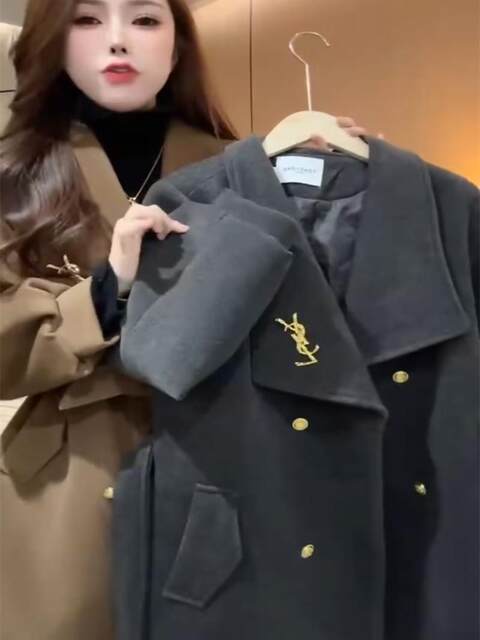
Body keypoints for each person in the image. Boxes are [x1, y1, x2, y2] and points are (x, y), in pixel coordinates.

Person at [0, 1, 370, 638]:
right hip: (66, 485)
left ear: (178, 45)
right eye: (87, 19)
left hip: (223, 467)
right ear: (51, 40)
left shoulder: (248, 169)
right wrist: (108, 288)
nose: (118, 41)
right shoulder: (13, 175)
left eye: (145, 19)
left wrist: (343, 182)